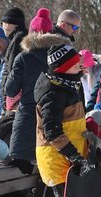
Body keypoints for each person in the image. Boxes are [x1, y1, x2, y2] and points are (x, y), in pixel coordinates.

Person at [0, 42, 101, 197]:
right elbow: (51, 130)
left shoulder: (67, 85)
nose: (80, 63)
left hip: (68, 156)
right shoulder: (53, 92)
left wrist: (87, 135)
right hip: (57, 158)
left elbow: (70, 123)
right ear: (64, 66)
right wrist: (74, 155)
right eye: (75, 62)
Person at [4, 17, 70, 166]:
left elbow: (11, 90)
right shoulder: (64, 58)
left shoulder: (24, 58)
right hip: (57, 123)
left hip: (27, 122)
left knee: (20, 170)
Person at [0, 7, 28, 114]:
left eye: (3, 23)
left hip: (15, 99)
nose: (2, 26)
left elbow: (11, 71)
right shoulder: (18, 38)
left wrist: (5, 97)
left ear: (11, 24)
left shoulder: (18, 39)